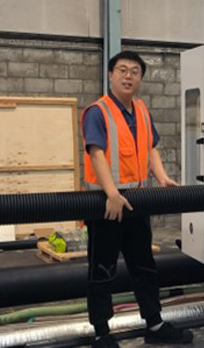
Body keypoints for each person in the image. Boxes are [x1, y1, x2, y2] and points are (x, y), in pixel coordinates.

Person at [81, 50, 193, 347]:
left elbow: (151, 147)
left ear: (140, 78)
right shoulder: (98, 112)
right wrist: (112, 194)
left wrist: (162, 176)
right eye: (122, 70)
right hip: (106, 205)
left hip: (138, 203)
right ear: (110, 75)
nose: (128, 76)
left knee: (144, 265)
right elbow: (96, 153)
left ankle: (154, 324)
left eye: (134, 71)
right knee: (102, 270)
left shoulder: (142, 110)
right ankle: (101, 333)